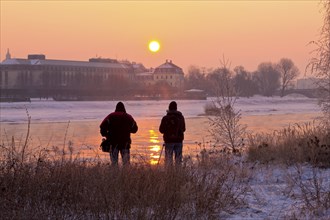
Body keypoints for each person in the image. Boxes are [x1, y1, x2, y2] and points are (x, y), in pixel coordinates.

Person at [100, 102, 138, 166]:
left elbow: (102, 126)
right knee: (126, 164)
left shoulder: (111, 116)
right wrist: (128, 131)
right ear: (124, 108)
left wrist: (106, 135)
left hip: (113, 143)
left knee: (114, 163)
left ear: (116, 108)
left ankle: (114, 175)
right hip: (125, 143)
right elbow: (135, 129)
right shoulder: (128, 117)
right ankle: (126, 175)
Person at [159, 101, 186, 166]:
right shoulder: (181, 117)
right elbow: (184, 129)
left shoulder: (165, 118)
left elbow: (161, 130)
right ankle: (178, 173)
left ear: (169, 108)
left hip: (168, 141)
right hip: (179, 141)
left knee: (168, 159)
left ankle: (169, 173)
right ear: (176, 108)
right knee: (178, 160)